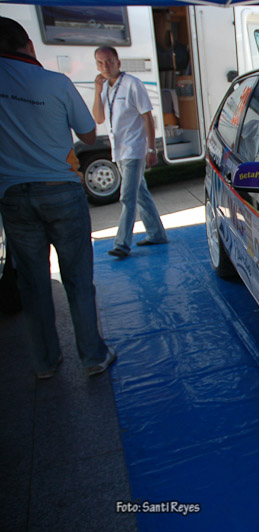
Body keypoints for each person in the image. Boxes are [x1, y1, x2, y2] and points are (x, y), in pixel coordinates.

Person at [0, 17, 115, 378]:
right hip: (60, 190)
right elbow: (88, 134)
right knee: (78, 279)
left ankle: (45, 363)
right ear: (29, 46)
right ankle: (92, 357)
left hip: (12, 194)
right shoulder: (55, 82)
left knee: (32, 284)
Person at [93, 46, 168, 258]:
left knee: (127, 197)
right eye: (100, 63)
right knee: (140, 193)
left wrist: (151, 148)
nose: (105, 67)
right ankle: (157, 233)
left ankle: (122, 244)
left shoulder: (132, 84)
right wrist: (97, 92)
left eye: (109, 62)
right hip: (118, 150)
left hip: (134, 150)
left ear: (118, 62)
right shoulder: (105, 88)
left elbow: (147, 117)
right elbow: (98, 118)